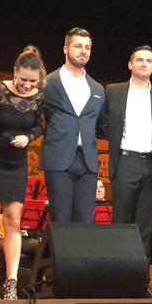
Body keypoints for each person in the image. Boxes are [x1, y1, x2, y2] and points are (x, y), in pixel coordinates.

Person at [0, 46, 45, 300]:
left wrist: (29, 137)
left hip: (17, 165)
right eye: (23, 79)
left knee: (14, 220)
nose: (27, 85)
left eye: (32, 81)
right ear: (15, 72)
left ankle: (12, 282)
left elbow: (41, 126)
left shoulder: (39, 98)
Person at [105, 45, 152, 259]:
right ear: (130, 64)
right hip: (125, 162)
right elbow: (102, 123)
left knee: (145, 224)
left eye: (149, 61)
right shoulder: (113, 91)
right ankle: (119, 271)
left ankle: (141, 275)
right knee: (121, 222)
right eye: (139, 60)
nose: (144, 64)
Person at [40, 27, 106, 223]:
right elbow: (34, 116)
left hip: (87, 162)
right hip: (58, 160)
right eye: (78, 46)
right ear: (65, 49)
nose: (83, 51)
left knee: (84, 222)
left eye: (87, 47)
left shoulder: (97, 88)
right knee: (60, 221)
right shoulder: (48, 83)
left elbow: (102, 124)